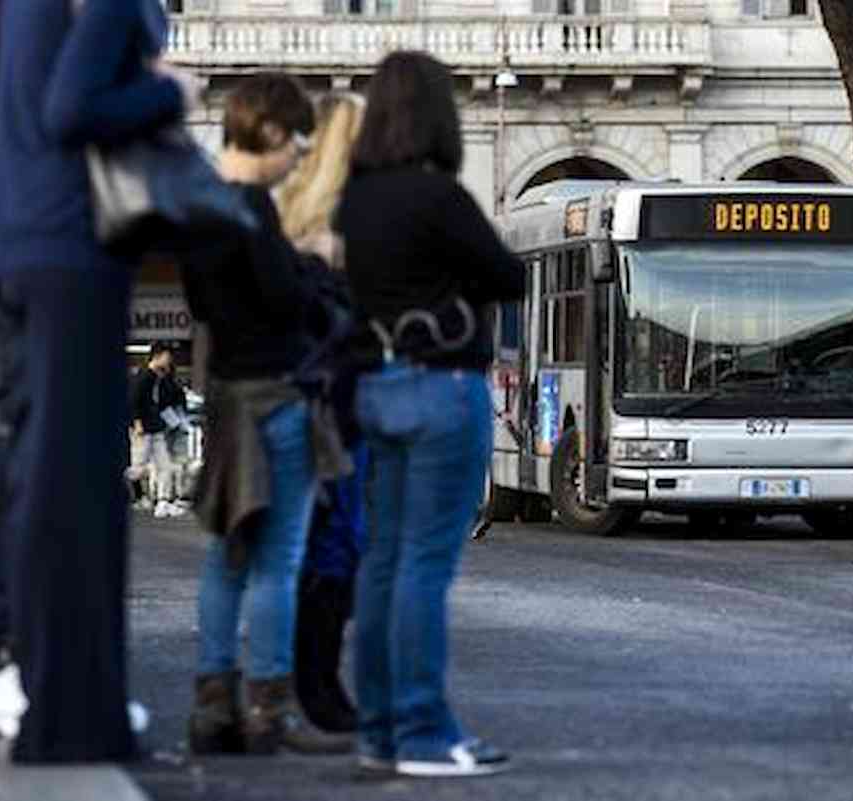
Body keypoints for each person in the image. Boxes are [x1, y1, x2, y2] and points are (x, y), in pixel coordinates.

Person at [0, 0, 202, 762]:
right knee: (79, 487)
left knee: (51, 477)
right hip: (73, 241)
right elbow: (73, 106)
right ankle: (76, 712)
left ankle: (65, 700)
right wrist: (175, 91)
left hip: (22, 234)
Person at [336, 51, 525, 777]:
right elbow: (506, 273)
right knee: (425, 564)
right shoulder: (437, 197)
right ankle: (422, 729)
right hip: (444, 388)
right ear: (438, 115)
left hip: (376, 388)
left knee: (383, 562)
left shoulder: (355, 199)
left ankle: (379, 727)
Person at [182, 72, 352, 757]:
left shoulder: (199, 204)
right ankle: (270, 708)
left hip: (225, 396)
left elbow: (200, 304)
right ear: (273, 133)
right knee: (279, 561)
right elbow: (286, 302)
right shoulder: (253, 209)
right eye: (298, 144)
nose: (298, 160)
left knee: (227, 555)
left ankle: (212, 705)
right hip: (277, 398)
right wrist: (313, 264)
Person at [276, 92, 367, 733]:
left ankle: (308, 680)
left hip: (313, 395)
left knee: (314, 543)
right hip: (337, 400)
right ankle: (316, 683)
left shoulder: (294, 214)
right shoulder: (334, 227)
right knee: (335, 542)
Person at [130, 341, 185, 519]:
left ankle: (163, 502)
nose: (170, 360)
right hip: (144, 428)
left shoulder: (158, 377)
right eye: (167, 356)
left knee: (165, 467)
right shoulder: (144, 376)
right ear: (158, 356)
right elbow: (134, 401)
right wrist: (137, 423)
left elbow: (162, 400)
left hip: (156, 427)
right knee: (138, 468)